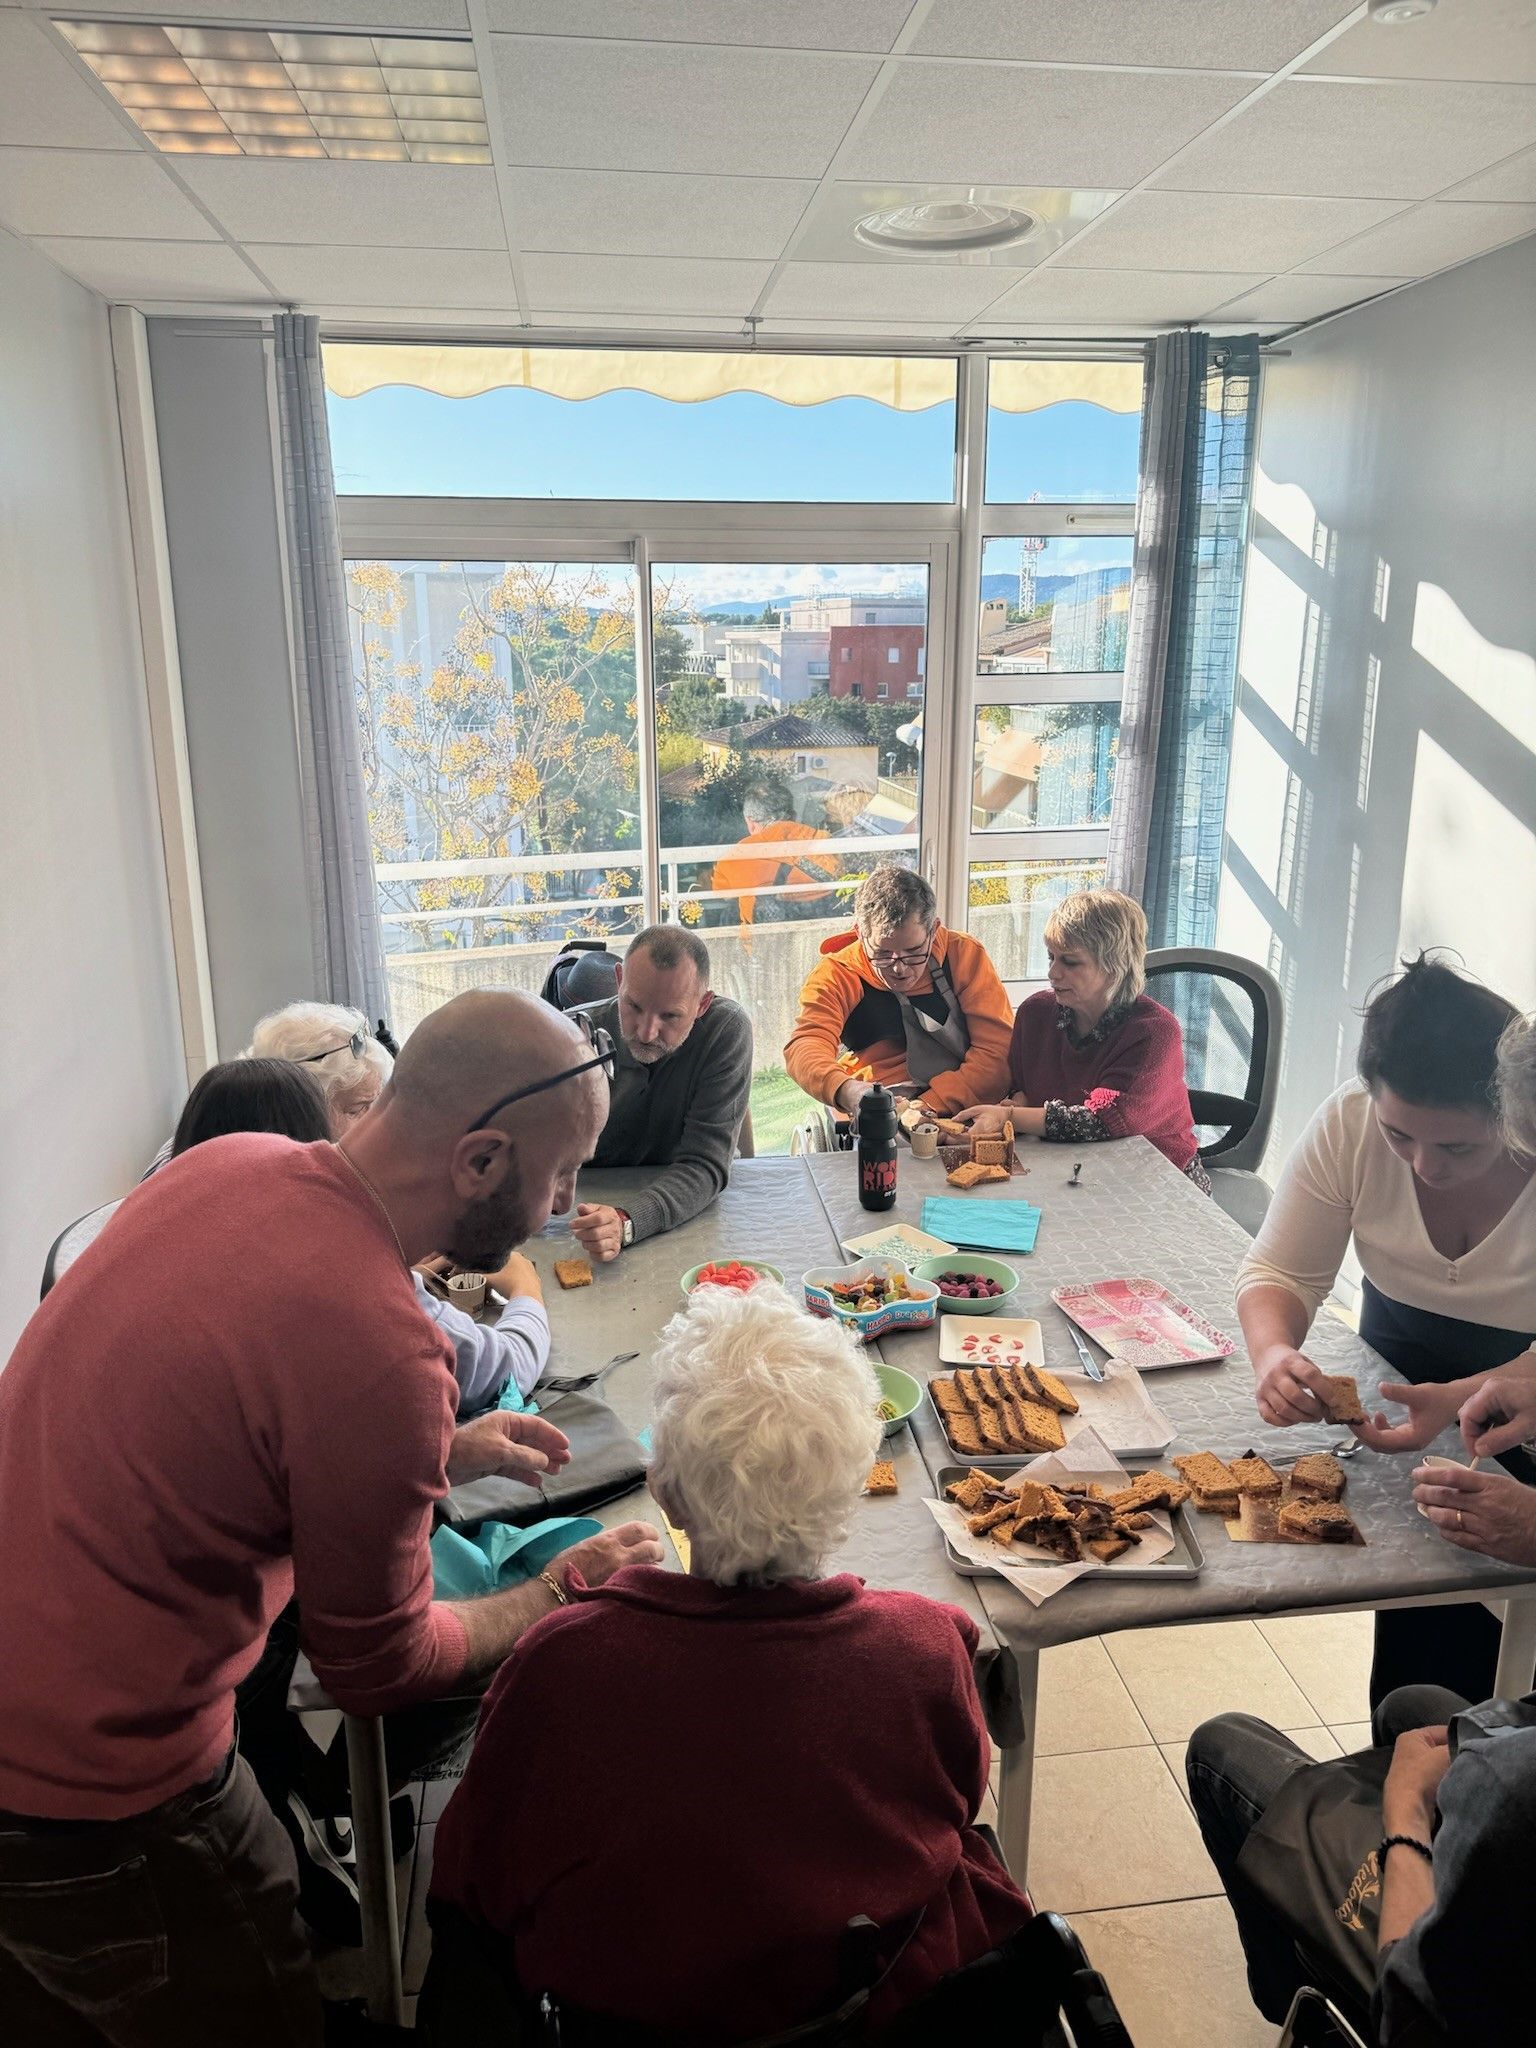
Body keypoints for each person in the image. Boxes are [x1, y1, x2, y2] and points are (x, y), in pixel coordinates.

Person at [0, 991, 663, 2046]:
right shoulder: (382, 1345)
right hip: (90, 1799)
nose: (563, 1204)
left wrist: (435, 1449)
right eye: (563, 1174)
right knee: (259, 2000)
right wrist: (558, 1586)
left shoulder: (230, 1163)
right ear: (481, 1160)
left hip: (34, 1692)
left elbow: (232, 1410)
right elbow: (379, 1665)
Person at [425, 1282, 1029, 2041]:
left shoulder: (558, 1663)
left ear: (665, 1494)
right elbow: (954, 1806)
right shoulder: (928, 1645)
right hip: (869, 2006)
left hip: (620, 2024)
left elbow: (474, 1881)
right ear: (856, 1485)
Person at [1237, 956, 1536, 1704]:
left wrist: (1465, 1398)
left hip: (1525, 1406)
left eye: (1459, 1147)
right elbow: (1279, 1271)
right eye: (1399, 1136)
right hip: (1409, 1392)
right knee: (1421, 1657)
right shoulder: (1349, 1123)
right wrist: (1274, 1353)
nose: (1425, 1166)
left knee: (1516, 1662)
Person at [1186, 1682, 1536, 2043]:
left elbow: (1413, 2010)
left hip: (1441, 1993)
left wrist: (1408, 1810)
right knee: (1407, 1705)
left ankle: (1299, 2003)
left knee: (1217, 1745)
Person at [955, 888, 1208, 1187]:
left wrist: (1008, 1116)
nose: (1053, 972)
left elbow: (1103, 1121)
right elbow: (1026, 1092)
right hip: (1073, 1168)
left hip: (1156, 1177)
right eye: (1051, 957)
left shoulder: (1154, 1032)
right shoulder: (1035, 1013)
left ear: (1114, 965)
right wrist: (987, 1124)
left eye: (1070, 962)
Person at [568, 924, 753, 1263]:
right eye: (633, 1006)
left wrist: (627, 1221)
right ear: (619, 979)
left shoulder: (725, 1031)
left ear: (702, 1004)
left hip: (688, 1215)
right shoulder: (570, 1035)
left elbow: (704, 1163)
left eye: (669, 1016)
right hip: (581, 1212)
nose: (646, 1032)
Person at [784, 863, 1013, 1122]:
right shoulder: (838, 972)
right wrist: (847, 1090)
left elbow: (997, 1053)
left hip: (965, 1105)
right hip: (878, 1108)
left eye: (914, 952)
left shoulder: (964, 954)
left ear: (933, 930)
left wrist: (927, 1106)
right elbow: (805, 1045)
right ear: (860, 933)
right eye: (883, 954)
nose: (899, 969)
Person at [141, 1001, 393, 1178]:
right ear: (297, 1105)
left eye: (377, 1101)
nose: (375, 1120)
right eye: (357, 1109)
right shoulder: (205, 1170)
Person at [709, 790, 841, 925]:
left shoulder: (737, 853)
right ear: (793, 815)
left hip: (768, 929)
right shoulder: (820, 838)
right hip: (827, 920)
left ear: (750, 822)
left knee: (730, 913)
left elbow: (723, 895)